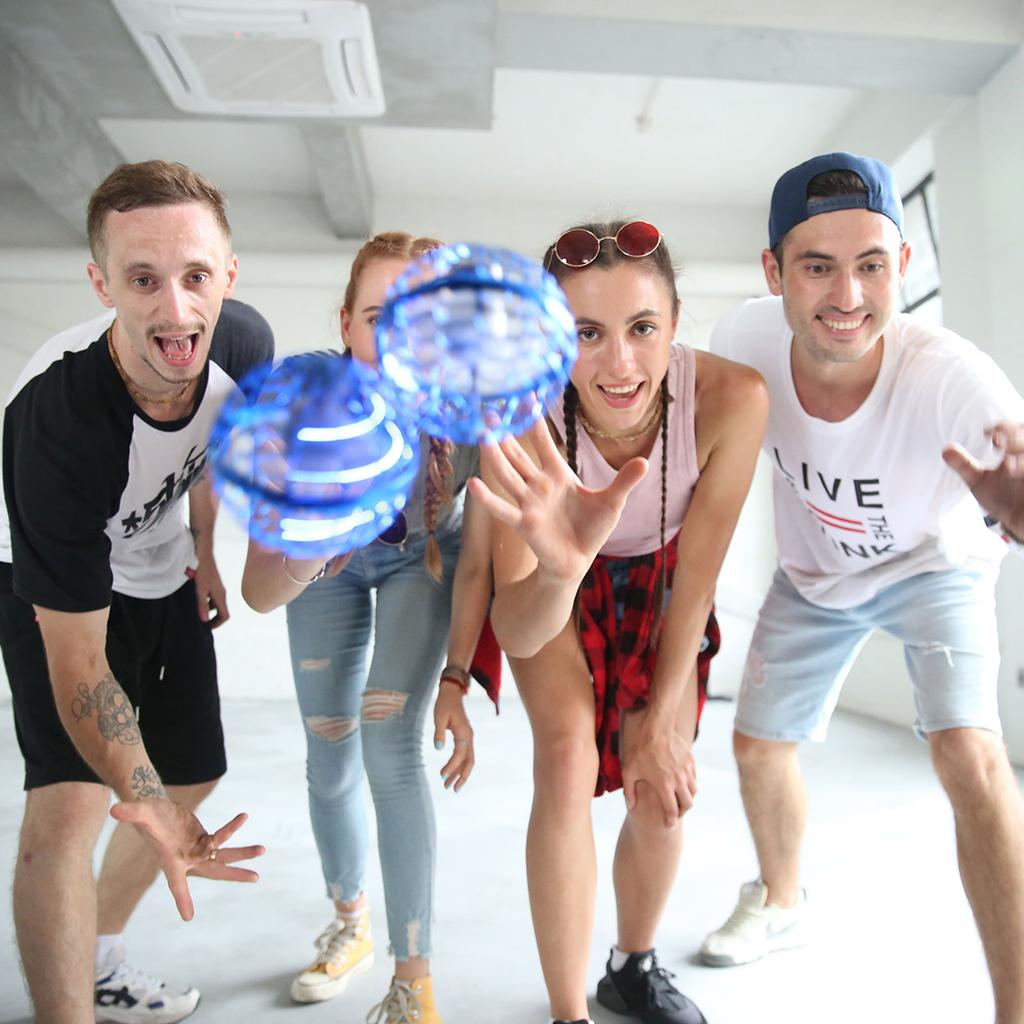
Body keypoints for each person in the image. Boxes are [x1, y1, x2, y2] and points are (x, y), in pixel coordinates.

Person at [699, 152, 1024, 1024]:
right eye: (818, 267)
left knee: (969, 755)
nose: (848, 295)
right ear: (773, 272)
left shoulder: (952, 375)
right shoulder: (742, 341)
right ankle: (782, 902)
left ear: (902, 267)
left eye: (872, 265)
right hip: (814, 575)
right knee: (757, 746)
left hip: (936, 565)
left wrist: (1019, 512)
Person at [469, 220, 768, 1024]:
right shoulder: (515, 411)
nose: (620, 364)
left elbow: (698, 578)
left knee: (660, 783)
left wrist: (663, 720)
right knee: (567, 756)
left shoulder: (734, 399)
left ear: (675, 323)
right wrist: (561, 567)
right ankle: (569, 1012)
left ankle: (632, 968)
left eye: (642, 328)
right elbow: (519, 628)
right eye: (586, 334)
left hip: (666, 581)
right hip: (556, 586)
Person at [1, 160, 270, 1024]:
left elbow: (207, 449)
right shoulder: (59, 421)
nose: (176, 309)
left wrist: (207, 550)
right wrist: (138, 794)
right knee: (72, 804)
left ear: (229, 275)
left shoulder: (243, 345)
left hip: (161, 559)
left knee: (190, 774)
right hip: (50, 574)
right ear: (102, 283)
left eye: (196, 276)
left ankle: (99, 957)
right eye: (143, 280)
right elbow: (80, 663)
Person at [241, 231, 491, 1024]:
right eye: (381, 318)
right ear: (346, 324)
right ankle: (350, 922)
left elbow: (482, 563)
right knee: (329, 748)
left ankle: (413, 979)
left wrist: (457, 676)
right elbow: (258, 590)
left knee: (389, 745)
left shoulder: (473, 415)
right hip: (330, 568)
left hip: (428, 561)